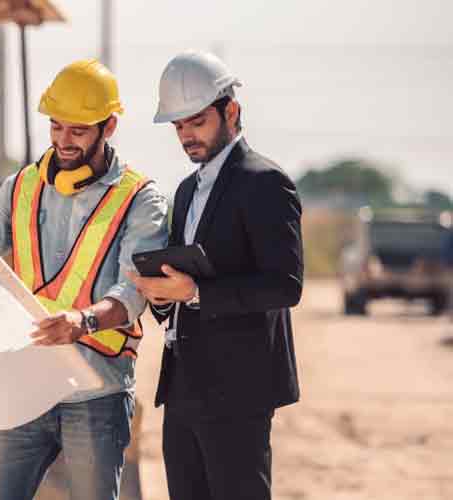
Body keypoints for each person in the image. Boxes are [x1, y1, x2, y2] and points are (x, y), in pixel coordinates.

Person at [0, 58, 168, 500]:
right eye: (56, 128)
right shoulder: (21, 187)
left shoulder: (140, 200)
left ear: (109, 127)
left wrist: (83, 321)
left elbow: (133, 292)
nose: (64, 141)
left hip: (96, 393)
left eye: (77, 131)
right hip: (23, 386)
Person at [127, 50, 304, 500]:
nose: (187, 135)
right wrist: (164, 296)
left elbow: (286, 284)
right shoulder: (186, 191)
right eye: (178, 126)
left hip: (240, 391)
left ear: (232, 111)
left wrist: (198, 293)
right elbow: (186, 284)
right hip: (184, 385)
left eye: (197, 121)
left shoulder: (266, 182)